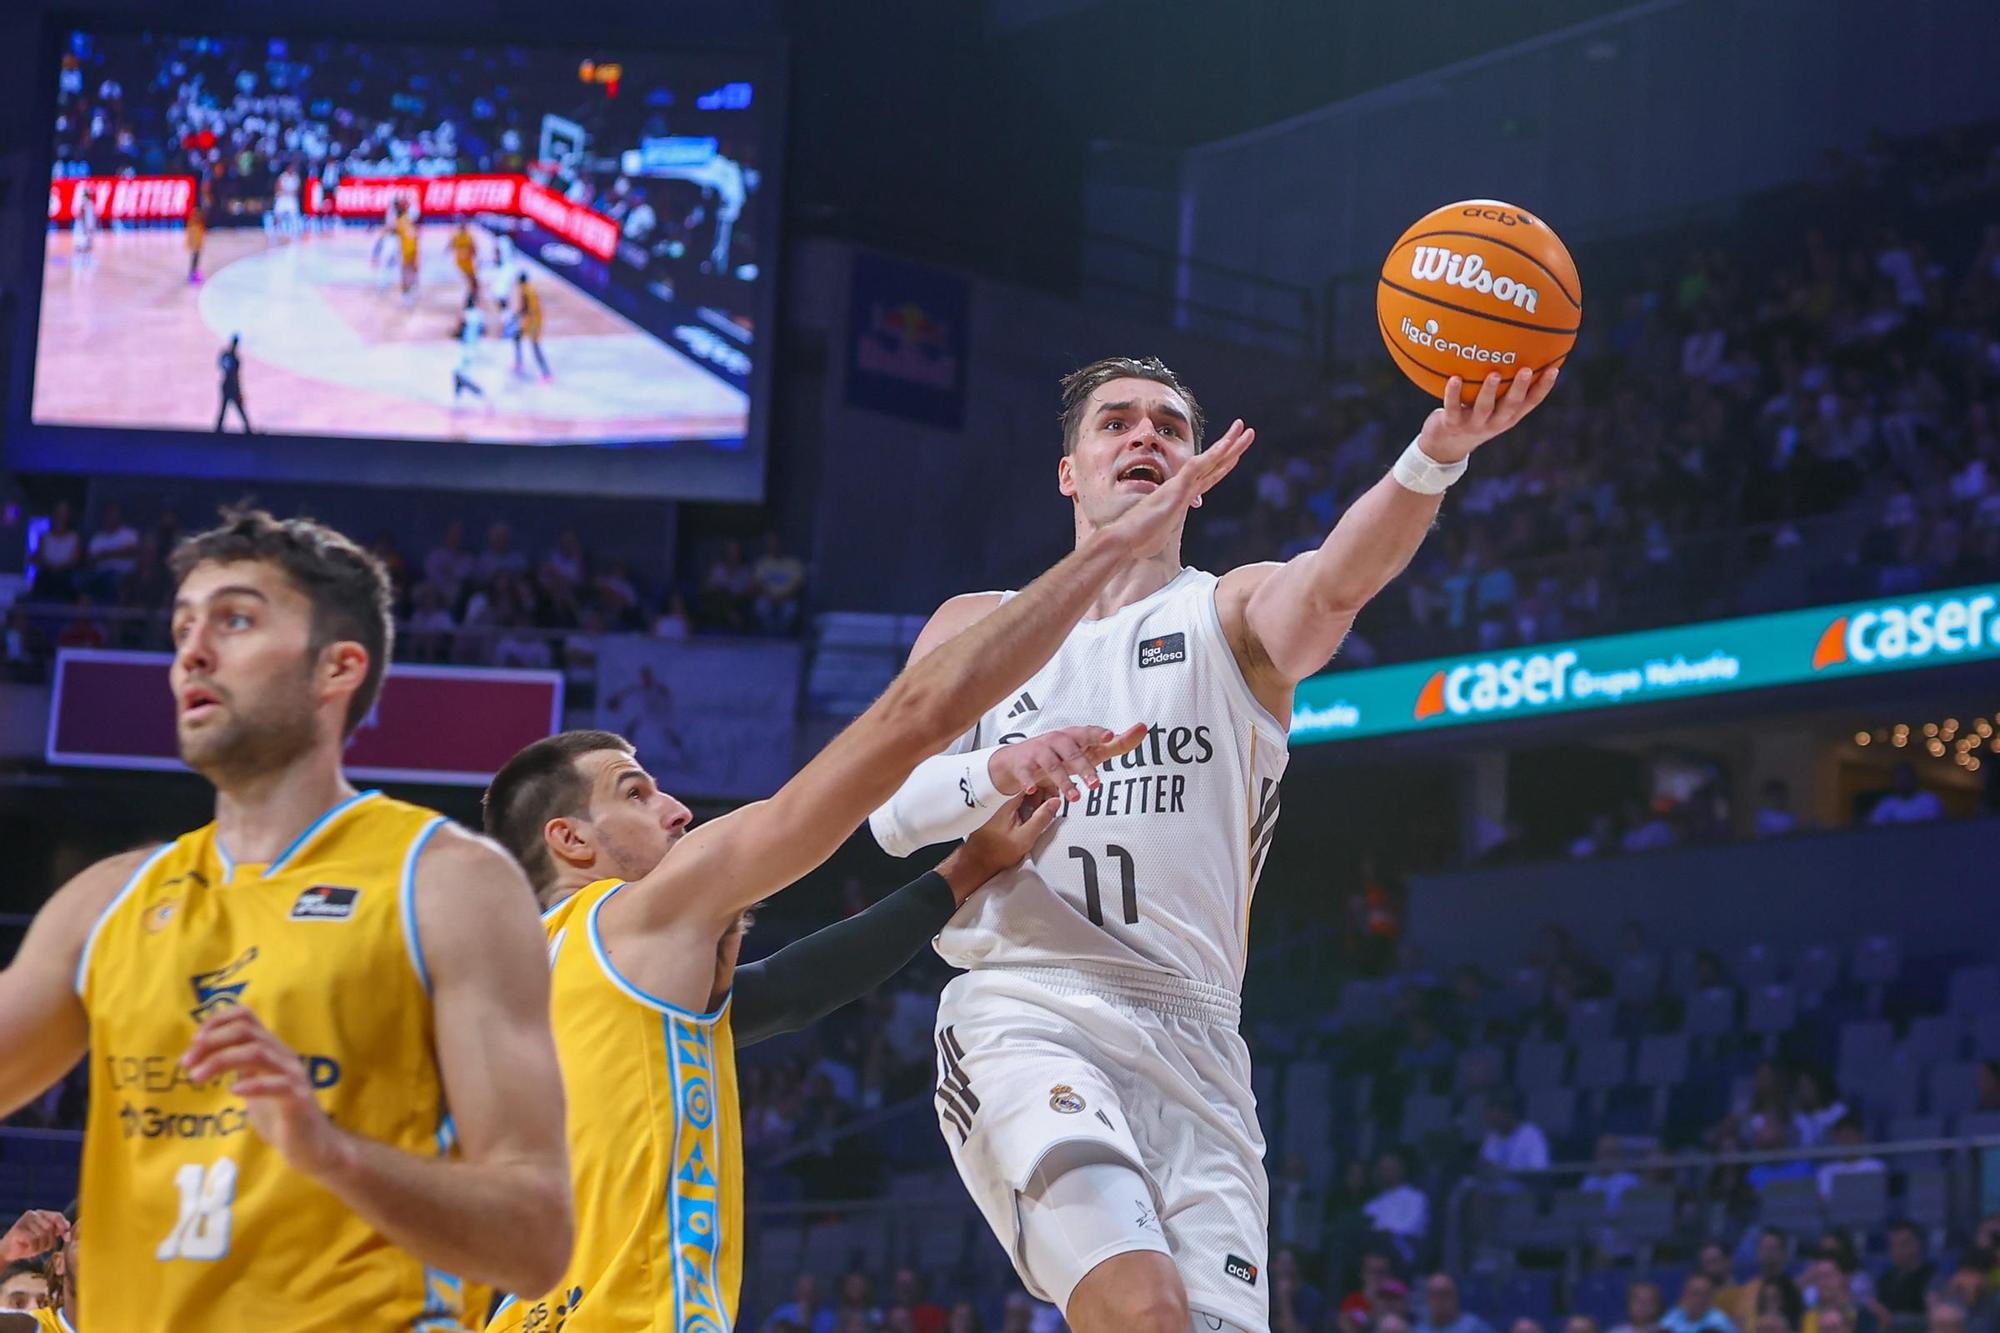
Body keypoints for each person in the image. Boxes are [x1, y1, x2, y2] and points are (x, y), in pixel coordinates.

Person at [477, 439, 1247, 1332]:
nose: (679, 808)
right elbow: (908, 721)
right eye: (636, 792)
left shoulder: (538, 986)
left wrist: (964, 870)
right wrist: (1109, 552)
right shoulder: (638, 915)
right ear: (569, 841)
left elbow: (787, 991)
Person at [870, 354, 1555, 1333]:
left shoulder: (1227, 611)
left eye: (1168, 425)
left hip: (1196, 1042)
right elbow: (890, 813)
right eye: (1115, 422)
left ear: (1197, 467)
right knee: (1145, 1313)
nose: (1144, 436)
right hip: (1026, 1006)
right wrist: (1004, 765)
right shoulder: (978, 625)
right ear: (1068, 470)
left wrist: (1433, 456)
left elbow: (1333, 585)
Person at [0, 508, 573, 1328]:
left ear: (336, 668)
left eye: (235, 619)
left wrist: (331, 1151)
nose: (193, 649)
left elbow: (535, 1237)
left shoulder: (447, 883)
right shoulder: (108, 901)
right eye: (183, 624)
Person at [1414, 1273, 1492, 1333]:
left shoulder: (1473, 1327)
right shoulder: (1420, 1330)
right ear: (1428, 1299)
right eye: (1434, 1294)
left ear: (1455, 1297)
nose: (1440, 1299)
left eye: (1445, 1293)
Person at [1869, 763, 1943, 824]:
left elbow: (1934, 825)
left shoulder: (1929, 800)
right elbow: (1875, 824)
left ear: (1914, 779)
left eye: (1906, 778)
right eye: (1900, 778)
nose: (1903, 782)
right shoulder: (1887, 803)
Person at [1662, 1275, 1738, 1333]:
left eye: (1705, 1294)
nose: (1700, 1299)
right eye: (1696, 1293)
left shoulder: (1718, 1321)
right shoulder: (1676, 1314)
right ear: (1685, 1295)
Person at [510, 273, 551, 380]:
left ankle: (546, 374)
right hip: (531, 320)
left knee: (535, 348)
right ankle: (519, 363)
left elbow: (527, 308)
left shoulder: (526, 291)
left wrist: (517, 315)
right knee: (517, 337)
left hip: (533, 322)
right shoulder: (528, 288)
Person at [453, 294, 487, 401]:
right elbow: (483, 330)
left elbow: (458, 331)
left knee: (460, 373)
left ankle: (477, 391)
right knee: (461, 372)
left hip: (466, 346)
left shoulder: (465, 315)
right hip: (475, 346)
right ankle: (460, 394)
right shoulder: (480, 315)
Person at [215, 333, 251, 433]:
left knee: (231, 408)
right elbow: (232, 373)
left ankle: (219, 428)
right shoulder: (232, 357)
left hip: (228, 385)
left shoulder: (228, 355)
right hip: (230, 386)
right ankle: (247, 429)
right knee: (229, 407)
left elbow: (222, 365)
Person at [449, 220, 480, 302]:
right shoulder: (465, 236)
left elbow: (449, 246)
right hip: (464, 263)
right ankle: (470, 301)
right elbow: (474, 249)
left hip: (465, 262)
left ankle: (471, 299)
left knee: (473, 282)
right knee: (472, 282)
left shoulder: (459, 236)